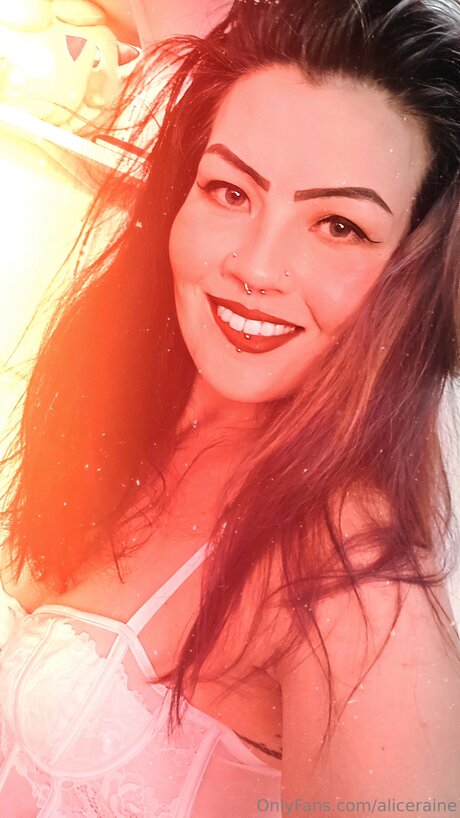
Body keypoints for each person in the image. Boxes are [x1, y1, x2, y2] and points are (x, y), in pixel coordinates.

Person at [0, 0, 459, 815]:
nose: (255, 266)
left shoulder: (352, 581)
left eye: (339, 225)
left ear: (412, 276)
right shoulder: (117, 415)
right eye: (230, 191)